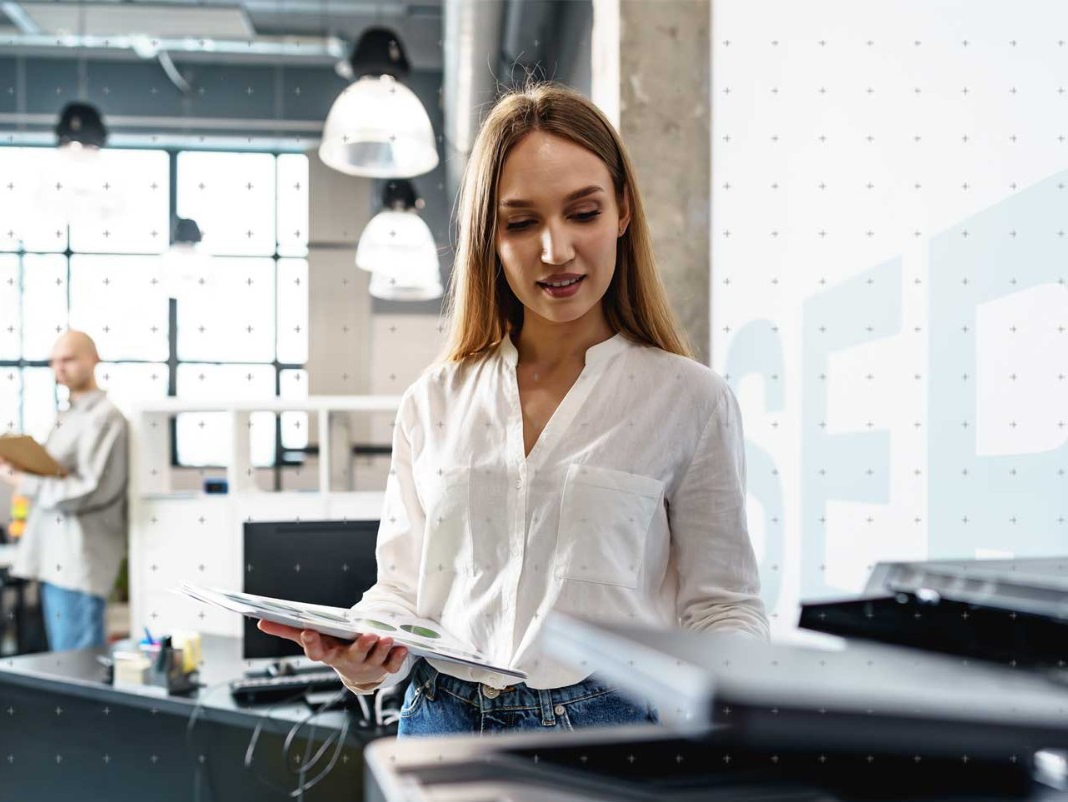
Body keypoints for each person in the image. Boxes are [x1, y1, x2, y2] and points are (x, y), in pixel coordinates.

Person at [259, 82, 768, 737]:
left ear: (622, 212)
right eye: (521, 223)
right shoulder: (433, 400)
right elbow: (403, 591)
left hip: (610, 731)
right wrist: (363, 654)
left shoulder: (690, 401)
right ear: (488, 238)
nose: (555, 251)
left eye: (582, 213)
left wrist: (739, 727)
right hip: (436, 722)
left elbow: (724, 608)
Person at [0, 330, 128, 652]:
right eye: (54, 361)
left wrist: (22, 481)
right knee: (65, 658)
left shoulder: (105, 419)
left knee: (78, 661)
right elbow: (57, 475)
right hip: (54, 555)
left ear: (94, 359)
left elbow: (89, 490)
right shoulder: (69, 416)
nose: (60, 368)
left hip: (78, 559)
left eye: (69, 359)